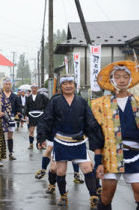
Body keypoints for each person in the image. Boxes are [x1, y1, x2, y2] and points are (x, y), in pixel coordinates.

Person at [37, 75, 102, 208]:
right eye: (65, 83)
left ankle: (93, 196)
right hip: (61, 141)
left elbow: (90, 120)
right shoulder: (55, 102)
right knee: (60, 171)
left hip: (78, 141)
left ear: (74, 85)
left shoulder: (81, 101)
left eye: (70, 83)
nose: (68, 85)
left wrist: (99, 136)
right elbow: (46, 119)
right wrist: (41, 137)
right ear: (61, 87)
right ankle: (63, 196)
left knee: (87, 167)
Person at [91, 61, 139, 210]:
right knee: (106, 195)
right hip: (110, 155)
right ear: (111, 80)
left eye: (125, 77)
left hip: (135, 153)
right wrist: (98, 161)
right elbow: (96, 135)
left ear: (130, 80)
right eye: (117, 77)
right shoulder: (100, 104)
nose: (122, 80)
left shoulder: (137, 101)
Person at [25, 83, 49, 149]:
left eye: (35, 88)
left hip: (40, 114)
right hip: (31, 115)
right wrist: (26, 115)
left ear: (37, 88)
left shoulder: (42, 96)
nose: (34, 89)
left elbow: (47, 103)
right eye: (33, 88)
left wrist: (46, 113)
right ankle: (31, 144)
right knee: (31, 131)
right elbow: (26, 107)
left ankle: (40, 143)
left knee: (40, 130)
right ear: (31, 88)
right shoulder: (28, 97)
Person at [3, 78, 21, 160]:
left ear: (11, 85)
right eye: (6, 84)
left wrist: (19, 114)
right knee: (1, 136)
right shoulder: (0, 95)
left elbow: (18, 107)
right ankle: (1, 153)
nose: (7, 86)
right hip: (1, 117)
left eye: (9, 84)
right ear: (3, 85)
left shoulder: (14, 96)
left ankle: (11, 153)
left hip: (11, 117)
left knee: (10, 136)